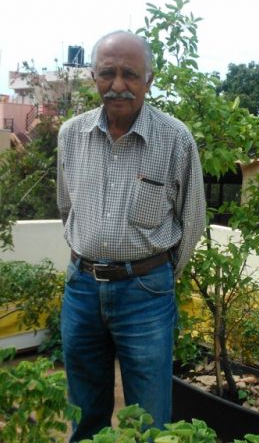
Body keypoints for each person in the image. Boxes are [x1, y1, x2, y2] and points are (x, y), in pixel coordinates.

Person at [57, 30, 206, 441]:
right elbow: (66, 208)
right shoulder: (70, 135)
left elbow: (192, 220)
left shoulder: (175, 139)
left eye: (130, 74)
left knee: (149, 418)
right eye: (107, 73)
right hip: (82, 290)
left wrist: (155, 277)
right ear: (93, 77)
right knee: (85, 411)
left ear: (149, 79)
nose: (117, 85)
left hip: (145, 295)